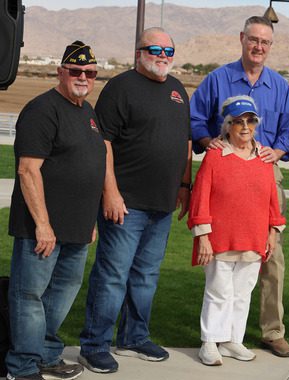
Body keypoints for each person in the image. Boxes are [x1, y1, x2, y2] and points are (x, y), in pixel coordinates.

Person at [78, 27, 192, 374]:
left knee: (146, 275)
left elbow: (184, 142)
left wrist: (185, 186)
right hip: (126, 203)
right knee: (113, 275)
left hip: (161, 203)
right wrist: (109, 192)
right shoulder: (120, 88)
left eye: (168, 51)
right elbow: (104, 143)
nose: (162, 56)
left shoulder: (177, 90)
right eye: (155, 49)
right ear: (139, 52)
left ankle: (134, 336)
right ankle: (94, 344)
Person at [190, 15, 289, 358]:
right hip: (224, 170)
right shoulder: (218, 78)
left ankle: (270, 331)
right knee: (222, 269)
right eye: (254, 40)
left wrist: (278, 151)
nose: (259, 47)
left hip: (264, 172)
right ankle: (215, 336)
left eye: (266, 42)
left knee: (269, 257)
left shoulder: (279, 86)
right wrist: (211, 142)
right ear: (242, 39)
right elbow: (195, 119)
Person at [6, 41, 105, 380]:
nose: (83, 77)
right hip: (42, 229)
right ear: (60, 72)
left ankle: (46, 355)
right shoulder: (42, 110)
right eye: (75, 71)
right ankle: (22, 365)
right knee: (30, 296)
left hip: (77, 228)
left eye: (89, 73)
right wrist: (43, 225)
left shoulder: (88, 112)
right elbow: (28, 170)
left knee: (60, 297)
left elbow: (89, 167)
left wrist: (89, 221)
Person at [188, 95, 286, 366]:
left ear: (256, 124)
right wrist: (203, 237)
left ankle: (233, 340)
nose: (245, 127)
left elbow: (272, 202)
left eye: (250, 121)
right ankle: (209, 341)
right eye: (238, 121)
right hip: (220, 238)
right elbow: (200, 198)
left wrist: (272, 233)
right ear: (228, 125)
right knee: (218, 291)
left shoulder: (264, 159)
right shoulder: (215, 156)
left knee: (243, 292)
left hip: (253, 238)